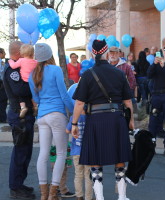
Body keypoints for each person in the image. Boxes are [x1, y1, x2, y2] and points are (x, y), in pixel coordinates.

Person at [71, 39, 134, 200]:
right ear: (106, 53)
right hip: (116, 119)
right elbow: (128, 102)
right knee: (119, 159)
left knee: (95, 160)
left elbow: (79, 103)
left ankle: (99, 197)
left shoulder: (87, 75)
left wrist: (74, 123)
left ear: (93, 54)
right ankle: (122, 196)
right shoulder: (119, 73)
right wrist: (131, 120)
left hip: (95, 120)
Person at [28, 43, 71, 200]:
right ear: (50, 55)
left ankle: (44, 194)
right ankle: (53, 192)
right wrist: (75, 111)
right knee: (61, 153)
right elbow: (64, 95)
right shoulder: (56, 70)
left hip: (42, 116)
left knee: (43, 154)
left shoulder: (32, 75)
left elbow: (37, 99)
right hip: (57, 114)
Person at [3, 41, 36, 199]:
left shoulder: (20, 66)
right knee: (20, 152)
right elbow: (19, 89)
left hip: (24, 114)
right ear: (18, 52)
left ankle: (19, 183)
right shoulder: (12, 70)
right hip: (19, 115)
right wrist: (35, 84)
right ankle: (15, 188)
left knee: (26, 152)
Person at [66, 110, 93, 200]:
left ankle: (79, 196)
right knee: (88, 175)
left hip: (76, 151)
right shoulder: (91, 117)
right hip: (88, 151)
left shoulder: (74, 117)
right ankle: (88, 197)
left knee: (78, 175)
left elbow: (67, 130)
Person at [8, 44, 38, 118]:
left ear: (22, 52)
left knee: (21, 96)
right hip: (33, 82)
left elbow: (13, 66)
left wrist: (10, 61)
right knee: (32, 95)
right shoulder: (36, 62)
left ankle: (23, 107)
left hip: (24, 81)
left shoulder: (21, 60)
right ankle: (35, 106)